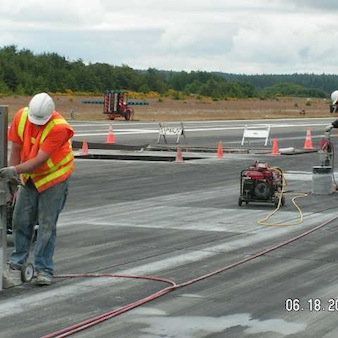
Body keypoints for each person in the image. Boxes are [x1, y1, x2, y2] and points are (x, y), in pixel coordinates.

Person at [0, 92, 75, 286]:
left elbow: (39, 160)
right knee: (19, 220)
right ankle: (17, 263)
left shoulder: (59, 128)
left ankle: (44, 269)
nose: (37, 123)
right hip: (30, 177)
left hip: (54, 178)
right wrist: (12, 181)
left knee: (46, 225)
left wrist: (14, 170)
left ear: (51, 114)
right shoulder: (22, 117)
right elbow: (16, 149)